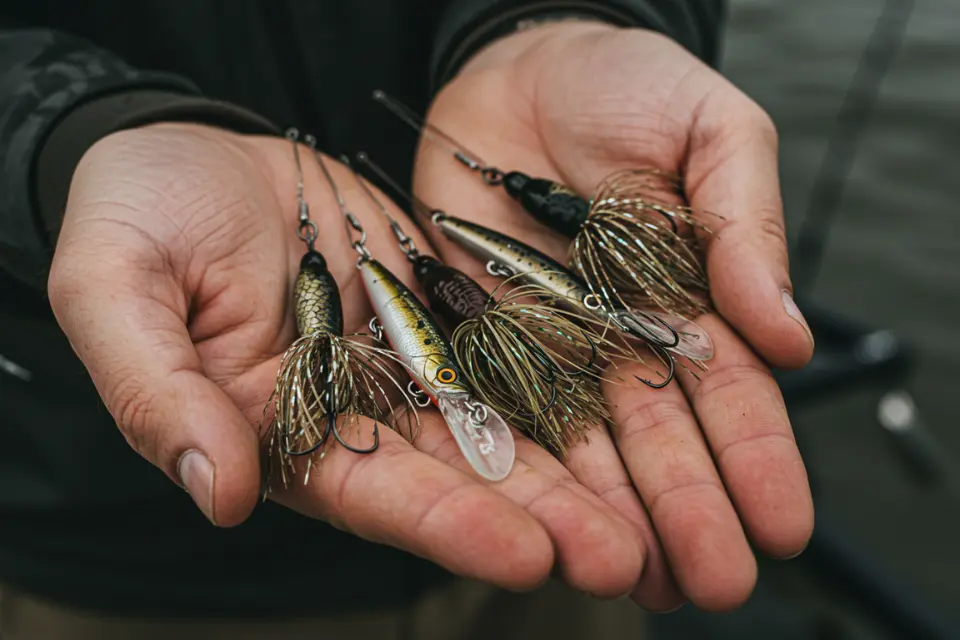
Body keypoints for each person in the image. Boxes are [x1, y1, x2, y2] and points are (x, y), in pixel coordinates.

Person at [0, 1, 815, 638]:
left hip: (550, 576)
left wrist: (567, 18)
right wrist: (69, 138)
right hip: (113, 559)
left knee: (597, 555)